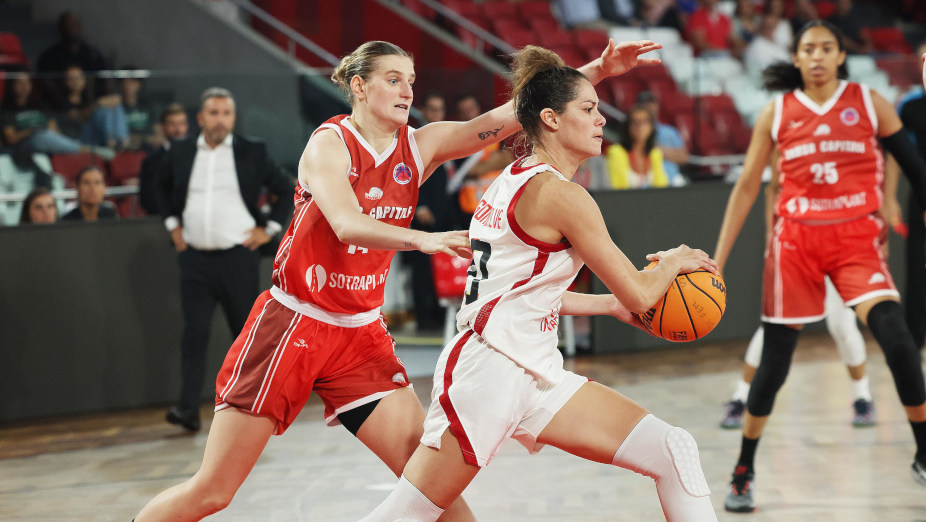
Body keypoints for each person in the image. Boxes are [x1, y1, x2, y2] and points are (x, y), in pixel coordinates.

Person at [134, 38, 663, 521]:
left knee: (432, 491)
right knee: (214, 491)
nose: (407, 89)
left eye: (411, 79)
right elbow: (345, 223)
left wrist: (595, 70)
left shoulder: (421, 146)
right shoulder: (329, 144)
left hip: (360, 336)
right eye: (393, 78)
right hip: (294, 324)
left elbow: (508, 117)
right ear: (359, 86)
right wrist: (423, 239)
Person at [361, 44, 718, 522]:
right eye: (588, 109)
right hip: (488, 373)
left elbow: (525, 292)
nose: (602, 120)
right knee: (406, 514)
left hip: (532, 371)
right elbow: (642, 293)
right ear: (550, 119)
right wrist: (672, 261)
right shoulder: (560, 196)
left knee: (674, 450)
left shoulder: (512, 177)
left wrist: (608, 305)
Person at [713, 21, 926, 513]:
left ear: (840, 56)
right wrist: (717, 259)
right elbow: (747, 187)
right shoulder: (777, 111)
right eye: (807, 48)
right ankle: (743, 468)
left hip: (856, 241)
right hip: (797, 244)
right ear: (797, 57)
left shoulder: (870, 103)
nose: (817, 56)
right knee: (775, 362)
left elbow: (915, 167)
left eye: (826, 47)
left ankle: (923, 451)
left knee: (897, 339)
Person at [155, 87, 294, 433]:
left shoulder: (252, 151)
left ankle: (255, 408)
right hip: (195, 261)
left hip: (238, 259)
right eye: (213, 113)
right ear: (201, 118)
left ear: (234, 118)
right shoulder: (181, 151)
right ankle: (188, 410)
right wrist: (172, 225)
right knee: (195, 333)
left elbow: (288, 188)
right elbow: (158, 188)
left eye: (226, 113)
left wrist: (271, 229)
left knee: (245, 337)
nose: (220, 120)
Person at [720, 156, 881, 429]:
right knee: (772, 328)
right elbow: (773, 190)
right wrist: (773, 239)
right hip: (796, 245)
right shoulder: (787, 132)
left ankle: (862, 396)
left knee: (842, 325)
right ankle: (740, 397)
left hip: (837, 242)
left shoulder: (843, 140)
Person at [405, 92, 453, 330]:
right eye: (432, 109)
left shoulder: (446, 136)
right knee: (422, 269)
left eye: (440, 109)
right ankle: (423, 316)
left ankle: (438, 314)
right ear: (423, 111)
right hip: (423, 214)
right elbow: (407, 174)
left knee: (439, 267)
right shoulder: (415, 137)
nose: (436, 114)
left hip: (443, 213)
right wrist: (419, 205)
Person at [0, 69, 115, 165]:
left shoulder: (40, 106)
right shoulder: (7, 110)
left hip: (50, 141)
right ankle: (90, 150)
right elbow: (11, 139)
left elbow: (54, 130)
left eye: (27, 83)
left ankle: (115, 144)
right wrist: (32, 131)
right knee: (41, 136)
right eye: (19, 83)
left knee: (107, 110)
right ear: (12, 85)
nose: (24, 87)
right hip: (26, 145)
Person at [891, 41, 926, 349]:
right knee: (917, 270)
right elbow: (894, 153)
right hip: (921, 199)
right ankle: (915, 339)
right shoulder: (910, 105)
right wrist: (888, 198)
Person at [138, 103, 189, 215]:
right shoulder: (150, 162)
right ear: (163, 127)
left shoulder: (198, 157)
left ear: (187, 125)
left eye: (181, 123)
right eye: (172, 124)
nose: (178, 129)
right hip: (161, 223)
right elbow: (145, 200)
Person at [605, 103, 669, 189]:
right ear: (628, 126)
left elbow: (662, 188)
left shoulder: (655, 154)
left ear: (651, 127)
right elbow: (617, 190)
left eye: (644, 122)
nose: (639, 126)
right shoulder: (616, 152)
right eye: (635, 122)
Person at [635, 90, 689, 186]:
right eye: (645, 104)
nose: (649, 107)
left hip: (672, 182)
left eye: (652, 103)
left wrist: (656, 149)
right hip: (645, 185)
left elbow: (684, 157)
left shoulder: (669, 131)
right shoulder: (634, 132)